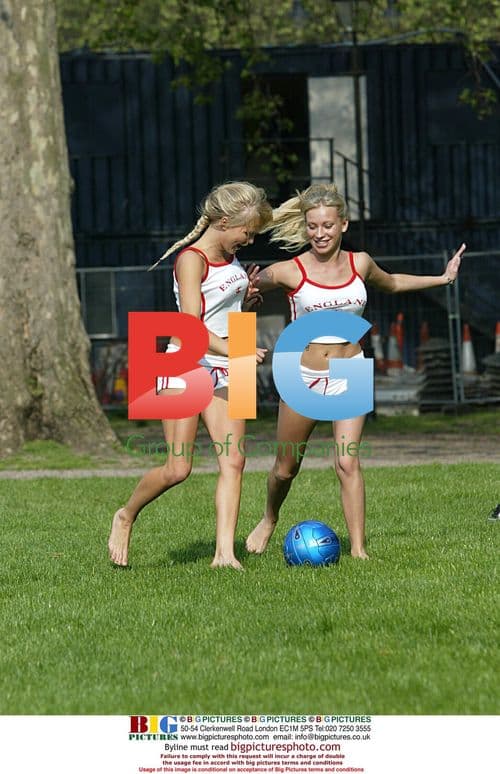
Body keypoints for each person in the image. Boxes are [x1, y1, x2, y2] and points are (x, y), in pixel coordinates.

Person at [245, 183, 465, 559]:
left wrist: (442, 279)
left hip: (351, 372)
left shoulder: (359, 263)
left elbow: (392, 282)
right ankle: (268, 518)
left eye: (328, 225)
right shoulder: (288, 271)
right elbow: (239, 293)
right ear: (305, 226)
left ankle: (359, 551)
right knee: (285, 469)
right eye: (312, 226)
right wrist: (242, 337)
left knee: (347, 461)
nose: (320, 233)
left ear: (343, 224)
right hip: (302, 377)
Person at [108, 181, 272, 570]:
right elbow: (190, 323)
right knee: (178, 468)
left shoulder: (231, 261)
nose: (248, 240)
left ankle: (224, 555)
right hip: (185, 362)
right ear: (224, 220)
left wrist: (245, 304)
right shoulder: (191, 259)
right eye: (246, 232)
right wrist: (236, 348)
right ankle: (126, 514)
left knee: (234, 461)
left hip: (232, 361)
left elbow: (226, 317)